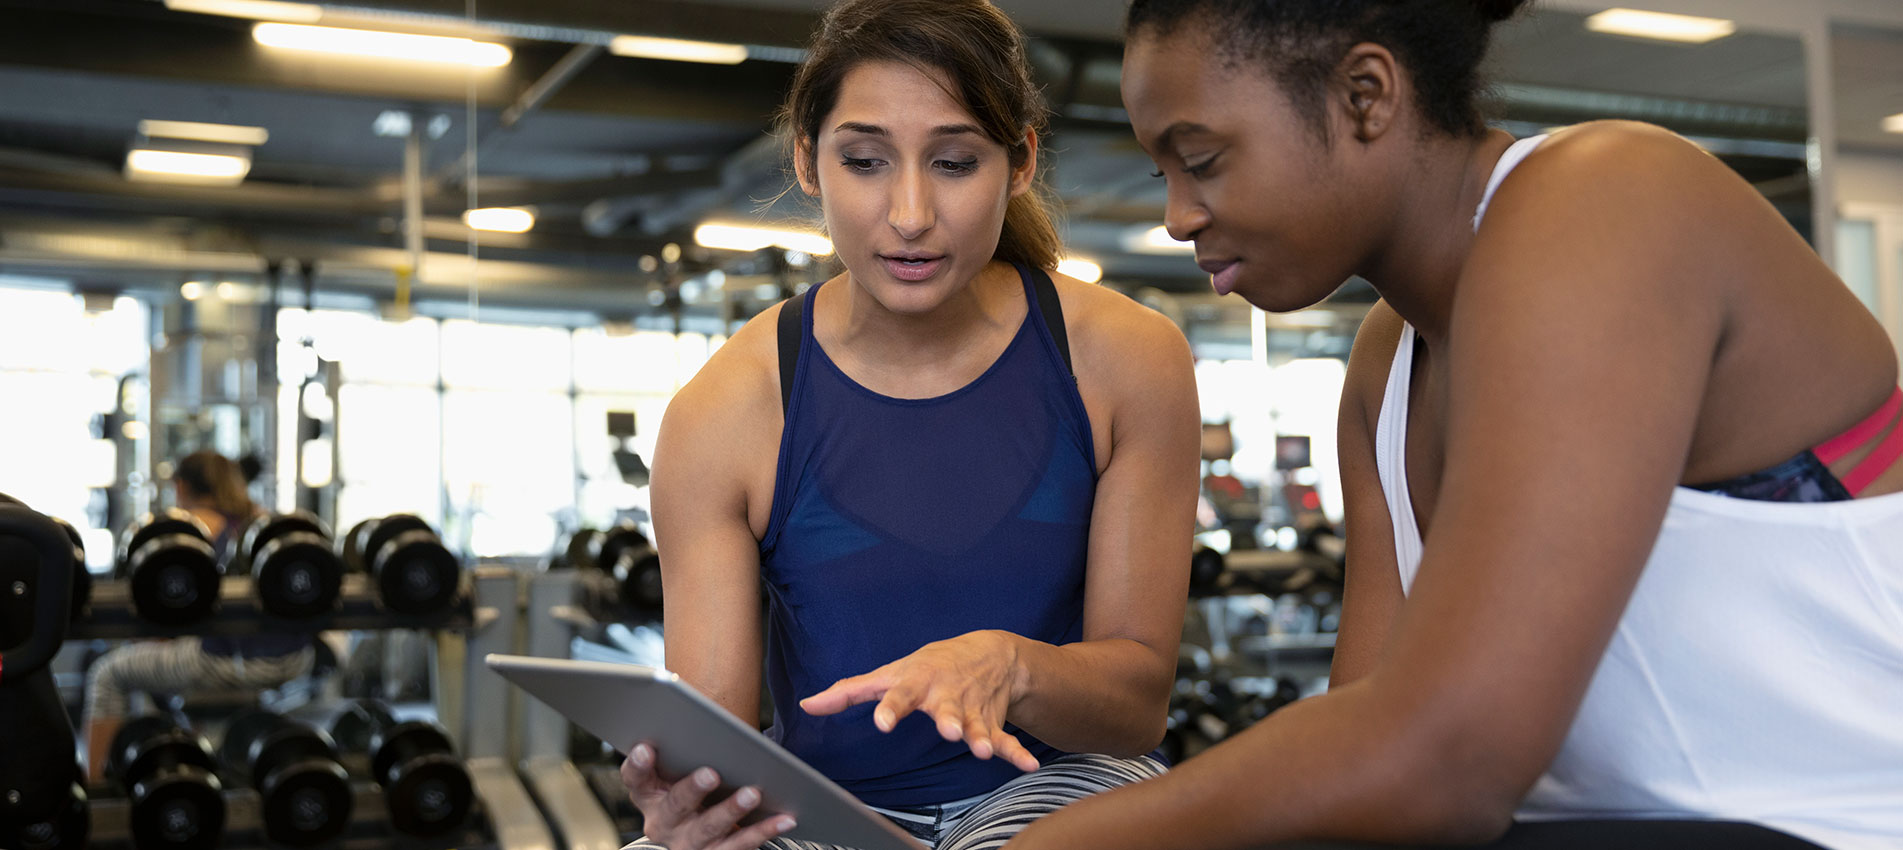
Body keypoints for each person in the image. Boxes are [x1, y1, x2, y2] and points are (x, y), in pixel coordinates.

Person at [1002, 2, 1903, 849]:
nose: (1176, 215)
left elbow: (1445, 759)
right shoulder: (1385, 367)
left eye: (1199, 160)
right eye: (1162, 173)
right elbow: (1361, 767)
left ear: (1365, 96)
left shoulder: (1609, 199)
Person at [616, 1, 1203, 848]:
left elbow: (1137, 704)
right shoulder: (725, 411)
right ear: (807, 163)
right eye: (864, 161)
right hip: (822, 809)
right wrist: (686, 808)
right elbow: (718, 736)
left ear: (1021, 162)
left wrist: (1012, 665)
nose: (910, 213)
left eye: (956, 163)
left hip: (1063, 782)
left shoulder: (1126, 359)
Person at [84, 450, 316, 782]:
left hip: (225, 662)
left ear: (180, 486)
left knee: (107, 673)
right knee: (156, 657)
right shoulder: (260, 522)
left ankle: (95, 785)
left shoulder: (191, 528)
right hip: (294, 657)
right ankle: (183, 742)